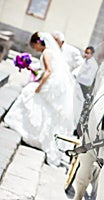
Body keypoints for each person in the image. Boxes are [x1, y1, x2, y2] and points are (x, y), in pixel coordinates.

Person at [4, 32, 78, 166]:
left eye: (34, 46)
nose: (34, 49)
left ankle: (22, 126)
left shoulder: (46, 53)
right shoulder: (52, 52)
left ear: (38, 43)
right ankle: (39, 134)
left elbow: (48, 71)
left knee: (29, 92)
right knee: (47, 109)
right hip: (57, 84)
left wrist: (39, 87)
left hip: (52, 83)